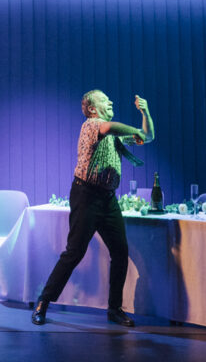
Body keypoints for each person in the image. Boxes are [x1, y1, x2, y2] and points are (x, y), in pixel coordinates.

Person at [31, 90, 154, 327]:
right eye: (104, 100)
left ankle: (114, 309)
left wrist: (145, 113)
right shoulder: (91, 125)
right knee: (74, 253)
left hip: (108, 199)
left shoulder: (116, 135)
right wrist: (135, 130)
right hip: (86, 196)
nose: (111, 101)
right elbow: (110, 127)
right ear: (92, 109)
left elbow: (147, 137)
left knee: (120, 252)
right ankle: (43, 301)